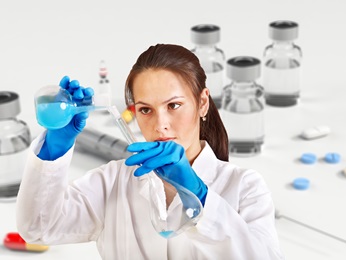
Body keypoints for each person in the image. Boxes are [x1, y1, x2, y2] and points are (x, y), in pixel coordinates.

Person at [16, 43, 284, 259]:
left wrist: (199, 196)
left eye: (174, 106)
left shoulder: (244, 187)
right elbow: (39, 229)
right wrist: (55, 147)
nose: (160, 125)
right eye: (146, 110)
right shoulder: (113, 182)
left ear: (202, 103)